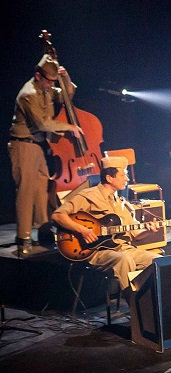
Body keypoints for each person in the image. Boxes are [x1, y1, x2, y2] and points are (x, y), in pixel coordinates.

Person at [51, 156, 159, 295]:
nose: (127, 179)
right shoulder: (88, 196)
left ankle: (152, 306)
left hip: (123, 248)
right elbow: (58, 215)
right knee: (124, 260)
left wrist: (150, 231)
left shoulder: (122, 203)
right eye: (123, 175)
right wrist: (82, 230)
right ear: (109, 178)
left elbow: (136, 235)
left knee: (158, 262)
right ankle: (135, 308)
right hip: (96, 251)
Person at [8, 54, 83, 255]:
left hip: (38, 145)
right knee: (26, 193)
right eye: (49, 81)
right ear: (38, 76)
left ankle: (42, 232)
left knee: (42, 189)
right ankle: (23, 239)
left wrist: (65, 77)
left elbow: (68, 94)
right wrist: (69, 127)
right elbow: (43, 123)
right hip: (22, 145)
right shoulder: (29, 94)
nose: (52, 85)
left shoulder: (47, 89)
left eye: (53, 81)